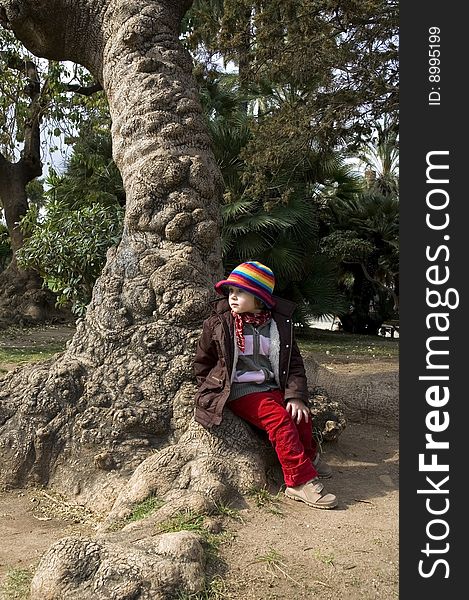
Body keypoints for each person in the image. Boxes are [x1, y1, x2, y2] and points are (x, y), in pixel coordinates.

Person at [193, 261, 338, 510]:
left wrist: (295, 396)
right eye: (230, 292)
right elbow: (202, 362)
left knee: (300, 415)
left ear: (259, 297)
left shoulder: (277, 326)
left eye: (241, 292)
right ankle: (299, 480)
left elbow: (293, 364)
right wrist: (212, 389)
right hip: (240, 390)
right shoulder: (220, 323)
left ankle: (309, 455)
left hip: (272, 386)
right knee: (279, 421)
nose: (233, 297)